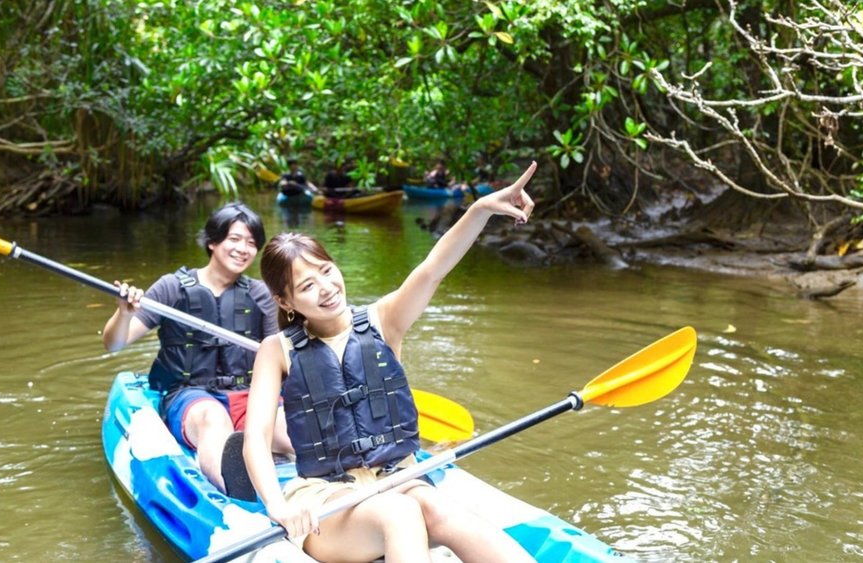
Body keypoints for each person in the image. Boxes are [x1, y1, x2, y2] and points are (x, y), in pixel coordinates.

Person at [243, 163, 539, 562]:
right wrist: (277, 505)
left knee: (442, 511)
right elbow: (256, 437)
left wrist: (480, 209)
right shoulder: (276, 350)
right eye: (308, 286)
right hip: (328, 500)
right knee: (400, 513)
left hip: (399, 477)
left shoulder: (385, 320)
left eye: (327, 272)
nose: (327, 288)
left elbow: (432, 270)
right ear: (285, 301)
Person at [102, 203, 293, 495]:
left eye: (252, 243)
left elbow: (280, 356)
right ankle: (235, 488)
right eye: (235, 239)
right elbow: (114, 343)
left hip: (249, 394)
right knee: (213, 419)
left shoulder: (260, 294)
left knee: (285, 425)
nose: (243, 249)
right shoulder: (171, 287)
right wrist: (124, 313)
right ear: (212, 242)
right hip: (191, 396)